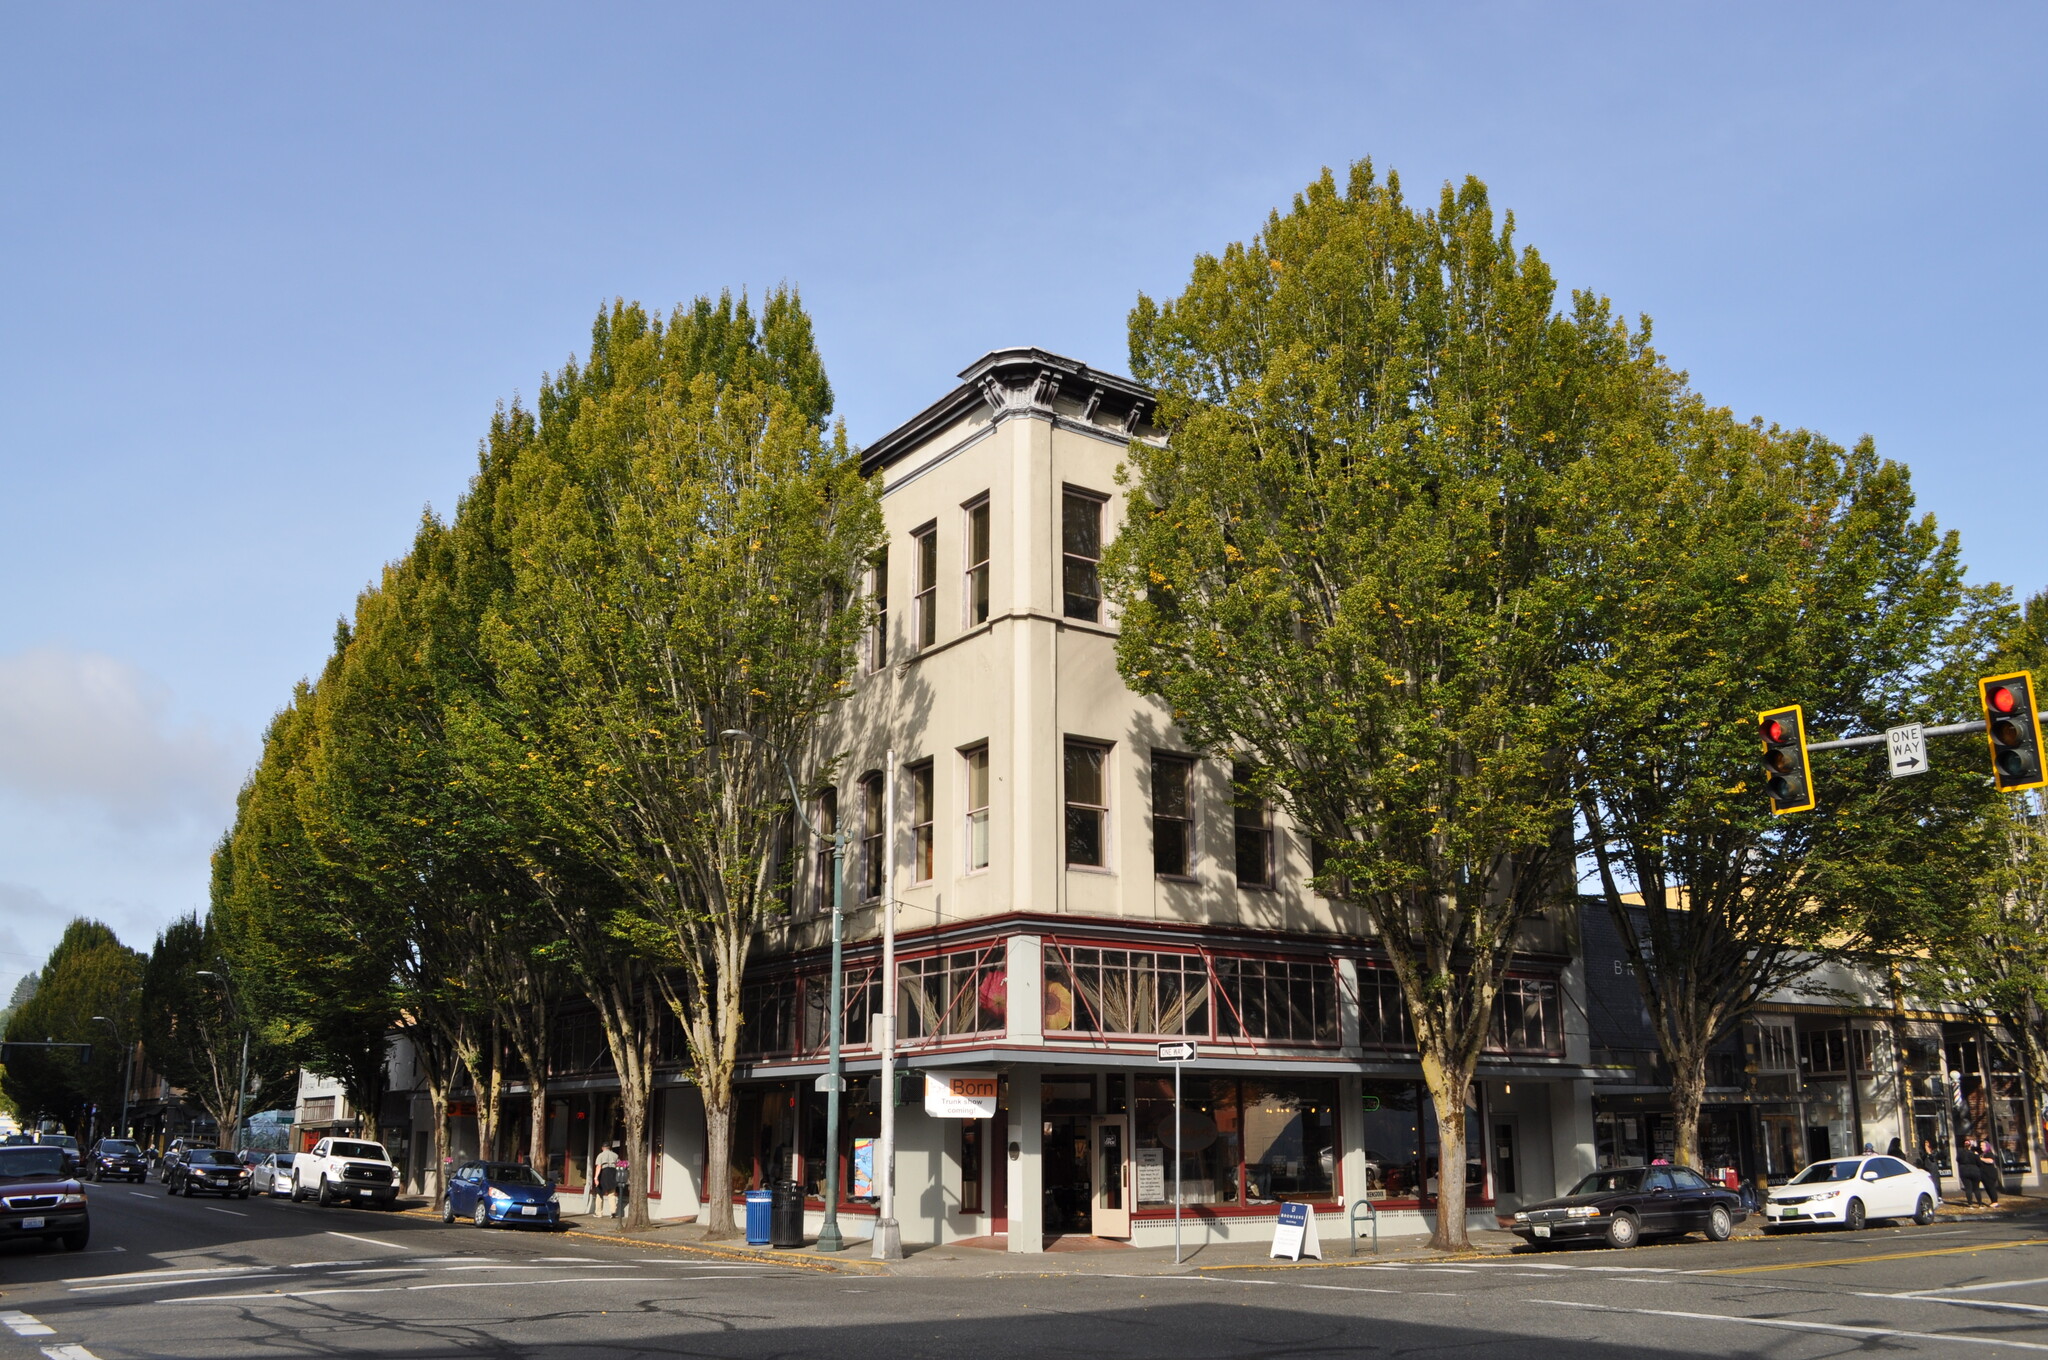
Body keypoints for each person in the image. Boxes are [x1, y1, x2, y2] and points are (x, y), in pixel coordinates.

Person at [592, 1141, 620, 1216]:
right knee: (612, 1193)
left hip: (604, 1172)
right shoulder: (615, 1155)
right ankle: (613, 1211)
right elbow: (619, 1165)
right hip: (613, 1172)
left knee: (599, 1193)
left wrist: (596, 1178)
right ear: (609, 1148)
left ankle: (599, 1213)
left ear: (602, 1148)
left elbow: (598, 1167)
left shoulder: (600, 1155)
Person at [612, 1153, 631, 1220]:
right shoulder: (625, 1164)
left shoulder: (625, 1164)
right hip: (623, 1181)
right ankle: (619, 1214)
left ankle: (619, 1214)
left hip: (625, 1181)